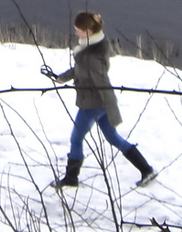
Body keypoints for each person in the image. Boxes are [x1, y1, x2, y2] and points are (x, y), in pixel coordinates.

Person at [40, 11, 157, 188]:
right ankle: (146, 170)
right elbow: (81, 69)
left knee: (76, 139)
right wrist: (64, 77)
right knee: (113, 138)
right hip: (100, 103)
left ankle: (71, 178)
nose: (76, 32)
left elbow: (99, 79)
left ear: (87, 31)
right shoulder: (94, 46)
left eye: (78, 30)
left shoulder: (92, 56)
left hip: (92, 105)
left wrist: (99, 98)